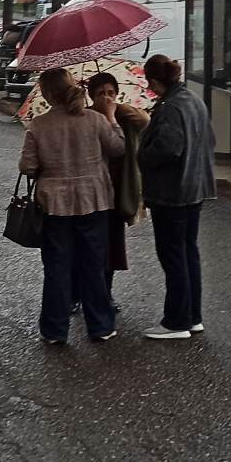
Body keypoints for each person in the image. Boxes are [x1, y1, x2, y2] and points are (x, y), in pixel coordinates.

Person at [19, 67, 124, 343]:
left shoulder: (38, 125)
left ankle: (55, 329)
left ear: (47, 94)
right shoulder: (95, 120)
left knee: (57, 266)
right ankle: (100, 326)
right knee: (93, 265)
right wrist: (112, 118)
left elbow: (27, 167)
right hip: (94, 200)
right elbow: (118, 149)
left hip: (55, 205)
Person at [135, 55, 215, 340]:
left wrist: (143, 155)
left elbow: (168, 148)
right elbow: (209, 140)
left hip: (171, 191)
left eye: (150, 83)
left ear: (156, 81)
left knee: (173, 255)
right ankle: (193, 316)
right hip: (195, 187)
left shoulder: (171, 108)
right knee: (188, 252)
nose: (150, 88)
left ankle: (176, 321)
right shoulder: (193, 100)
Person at [85, 71, 149, 302]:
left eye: (111, 92)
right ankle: (82, 293)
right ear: (91, 96)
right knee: (89, 245)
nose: (106, 97)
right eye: (100, 93)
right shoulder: (86, 117)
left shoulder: (122, 114)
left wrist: (113, 113)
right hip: (92, 191)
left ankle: (106, 293)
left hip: (117, 191)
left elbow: (145, 122)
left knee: (112, 245)